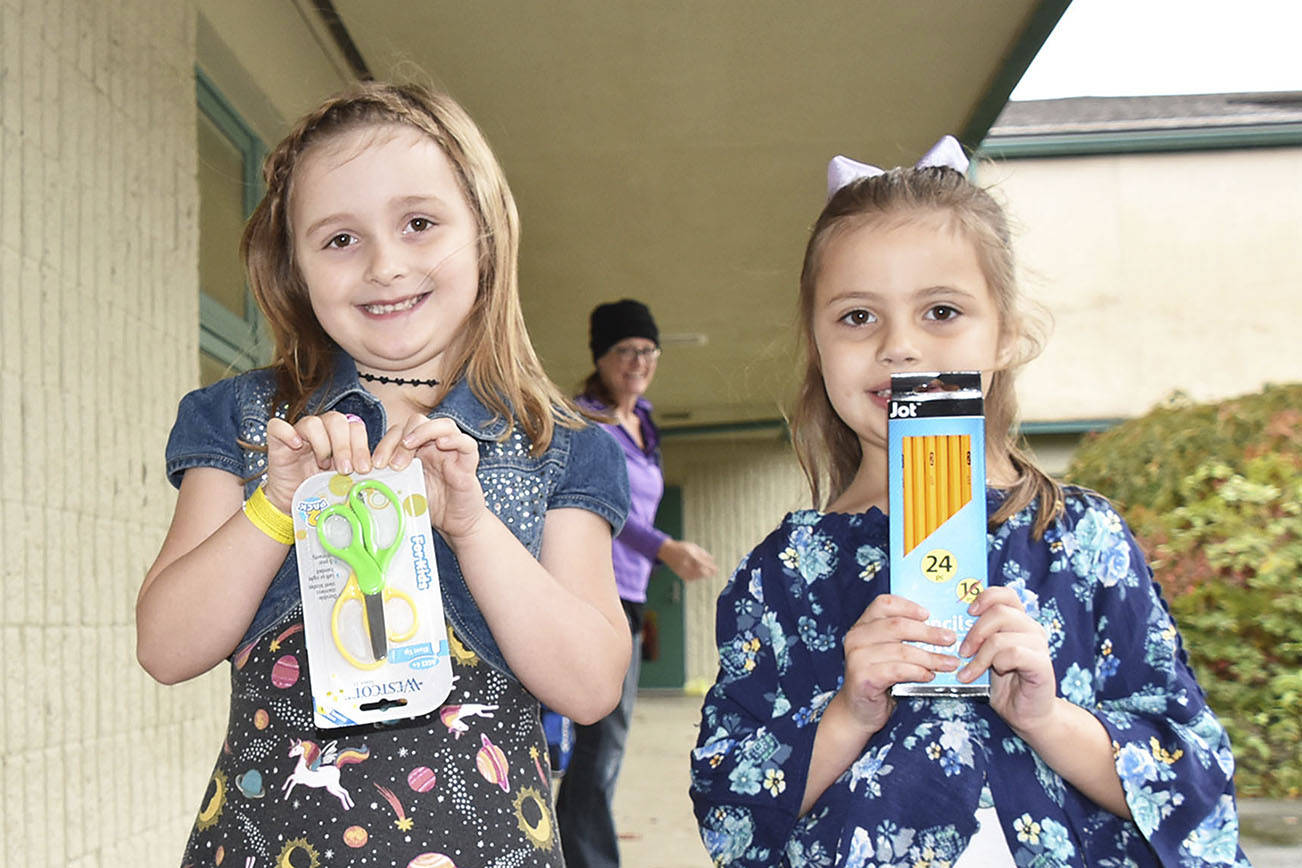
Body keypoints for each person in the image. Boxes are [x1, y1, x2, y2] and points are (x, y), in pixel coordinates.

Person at [689, 138, 1250, 867]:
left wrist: (1048, 718)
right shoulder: (783, 574)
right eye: (858, 317)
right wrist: (846, 716)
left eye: (942, 311)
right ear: (817, 345)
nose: (900, 347)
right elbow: (727, 809)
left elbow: (1197, 782)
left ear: (1008, 334)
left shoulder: (1081, 541)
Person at [136, 81, 632, 867]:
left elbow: (591, 685)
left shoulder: (560, 447)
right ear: (293, 266)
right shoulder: (242, 421)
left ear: (485, 234)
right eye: (339, 239)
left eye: (420, 223)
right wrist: (275, 504)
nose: (385, 264)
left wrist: (472, 528)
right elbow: (165, 646)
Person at [555, 299, 718, 868]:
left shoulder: (642, 419)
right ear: (601, 357)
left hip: (629, 595)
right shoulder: (582, 421)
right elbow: (605, 507)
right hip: (589, 592)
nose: (637, 362)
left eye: (647, 351)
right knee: (601, 743)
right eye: (624, 351)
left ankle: (575, 850)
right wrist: (667, 548)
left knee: (605, 745)